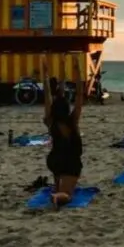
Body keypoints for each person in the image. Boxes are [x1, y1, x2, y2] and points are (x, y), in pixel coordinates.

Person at [42, 54, 84, 209]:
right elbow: (80, 95)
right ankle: (57, 195)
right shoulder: (73, 120)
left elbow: (47, 96)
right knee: (67, 195)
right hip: (70, 162)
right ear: (67, 109)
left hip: (54, 161)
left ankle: (57, 187)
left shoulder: (51, 121)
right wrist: (78, 70)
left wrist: (45, 75)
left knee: (60, 177)